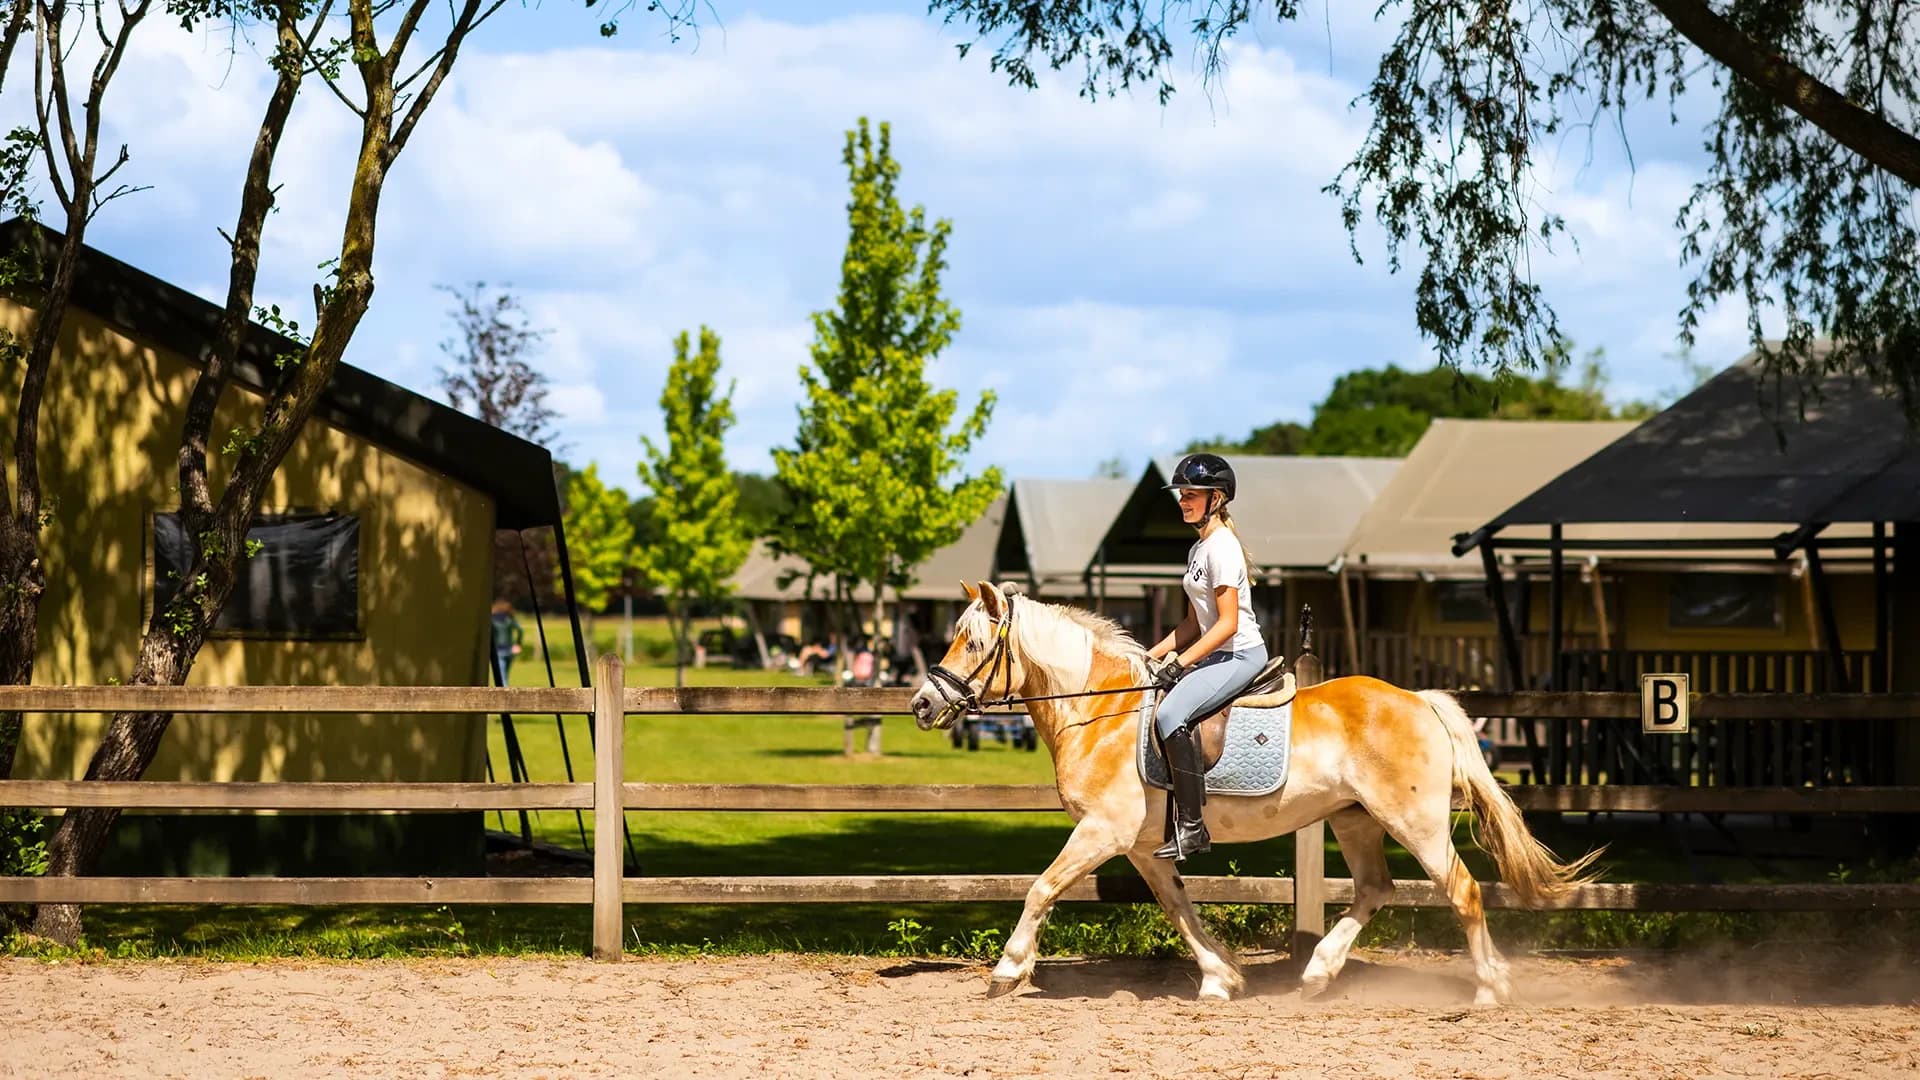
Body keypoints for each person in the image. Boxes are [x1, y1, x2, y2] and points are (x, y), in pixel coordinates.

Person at [1145, 452, 1267, 861]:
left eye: (1191, 494)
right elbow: (1192, 623)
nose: (1182, 501)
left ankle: (1193, 828)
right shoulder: (1199, 549)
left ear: (1216, 498)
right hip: (1217, 653)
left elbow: (1227, 624)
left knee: (1169, 715)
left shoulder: (1222, 549)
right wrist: (1151, 655)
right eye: (1181, 494)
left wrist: (1180, 663)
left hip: (1239, 654)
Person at [490, 599, 524, 684]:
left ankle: (504, 690)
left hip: (498, 650)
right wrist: (518, 644)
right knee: (505, 675)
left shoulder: (492, 619)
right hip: (510, 650)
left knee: (502, 677)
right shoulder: (509, 619)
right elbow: (520, 630)